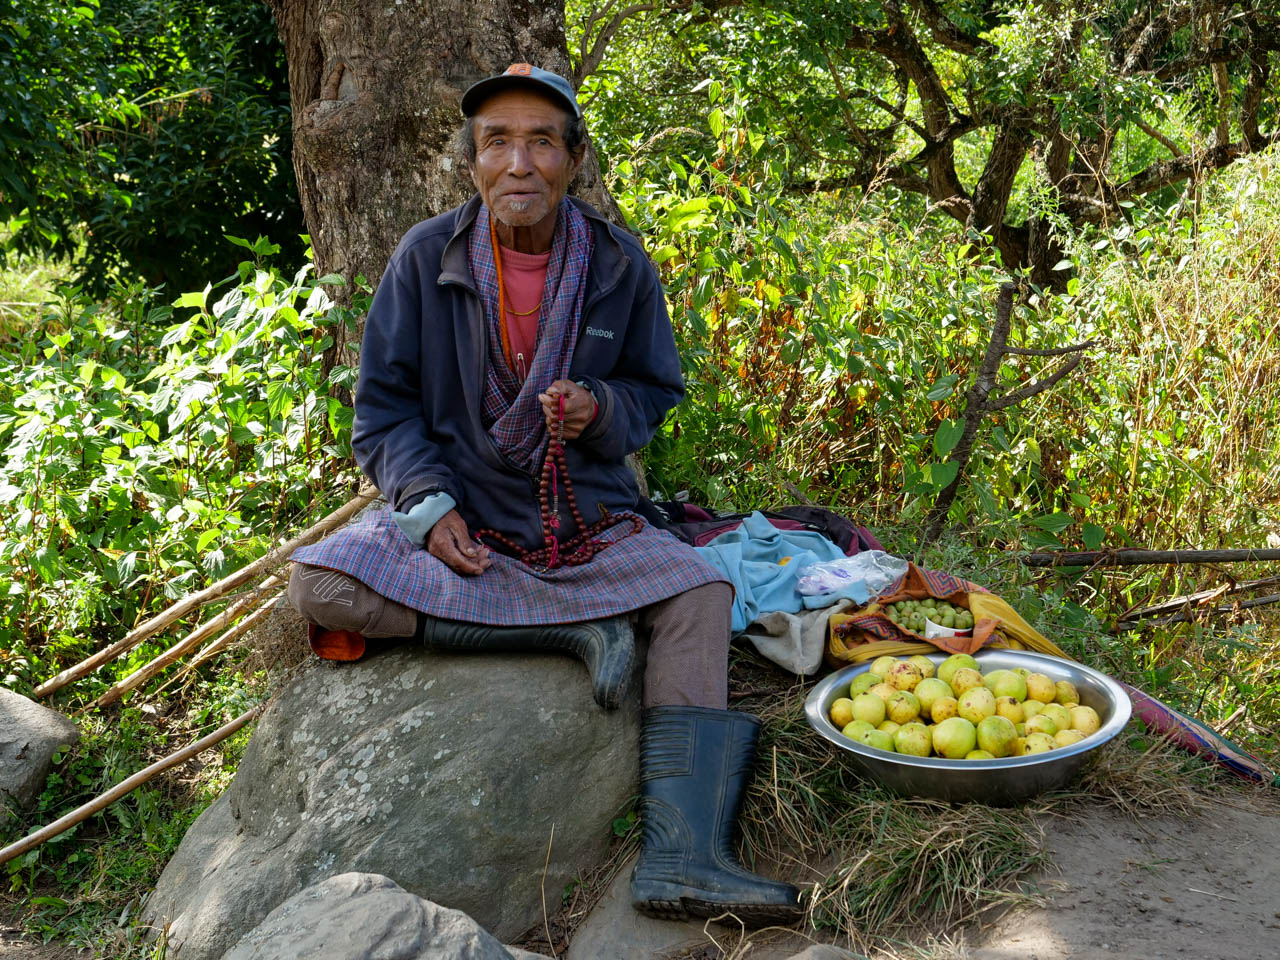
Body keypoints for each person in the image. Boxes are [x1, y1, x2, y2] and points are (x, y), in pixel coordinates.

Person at [287, 63, 801, 924]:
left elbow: (654, 393)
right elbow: (382, 414)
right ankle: (572, 628)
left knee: (703, 592)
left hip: (585, 516)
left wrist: (601, 410)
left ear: (572, 160)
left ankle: (687, 856)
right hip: (469, 515)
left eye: (540, 142)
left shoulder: (618, 264)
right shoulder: (426, 259)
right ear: (473, 162)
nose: (518, 163)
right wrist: (428, 505)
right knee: (320, 583)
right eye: (497, 142)